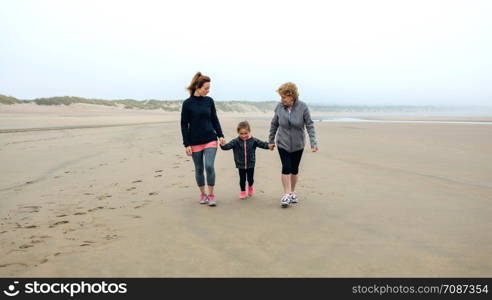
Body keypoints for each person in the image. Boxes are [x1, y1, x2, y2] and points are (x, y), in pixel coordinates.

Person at [268, 82, 318, 208]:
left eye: (284, 97)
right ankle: (286, 194)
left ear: (291, 96)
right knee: (286, 167)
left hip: (298, 144)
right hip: (283, 143)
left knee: (294, 169)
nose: (281, 99)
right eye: (281, 97)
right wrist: (271, 140)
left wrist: (313, 142)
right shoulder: (279, 107)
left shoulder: (303, 107)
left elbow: (310, 125)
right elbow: (274, 124)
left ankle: (292, 192)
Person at [180, 72, 225, 207]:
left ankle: (211, 195)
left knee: (209, 166)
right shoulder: (187, 104)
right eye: (206, 88)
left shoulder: (209, 101)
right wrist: (186, 143)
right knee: (199, 169)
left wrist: (220, 135)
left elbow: (214, 119)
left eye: (209, 88)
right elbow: (184, 124)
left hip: (210, 139)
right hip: (194, 142)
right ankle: (203, 194)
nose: (208, 90)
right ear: (198, 87)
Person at [220, 121, 274, 199]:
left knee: (250, 179)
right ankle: (242, 191)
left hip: (250, 164)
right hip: (240, 164)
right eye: (241, 133)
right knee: (242, 179)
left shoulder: (253, 140)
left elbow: (262, 144)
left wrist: (269, 146)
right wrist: (222, 144)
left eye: (246, 133)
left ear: (249, 131)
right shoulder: (235, 141)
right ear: (238, 132)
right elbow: (227, 147)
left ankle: (250, 187)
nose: (244, 135)